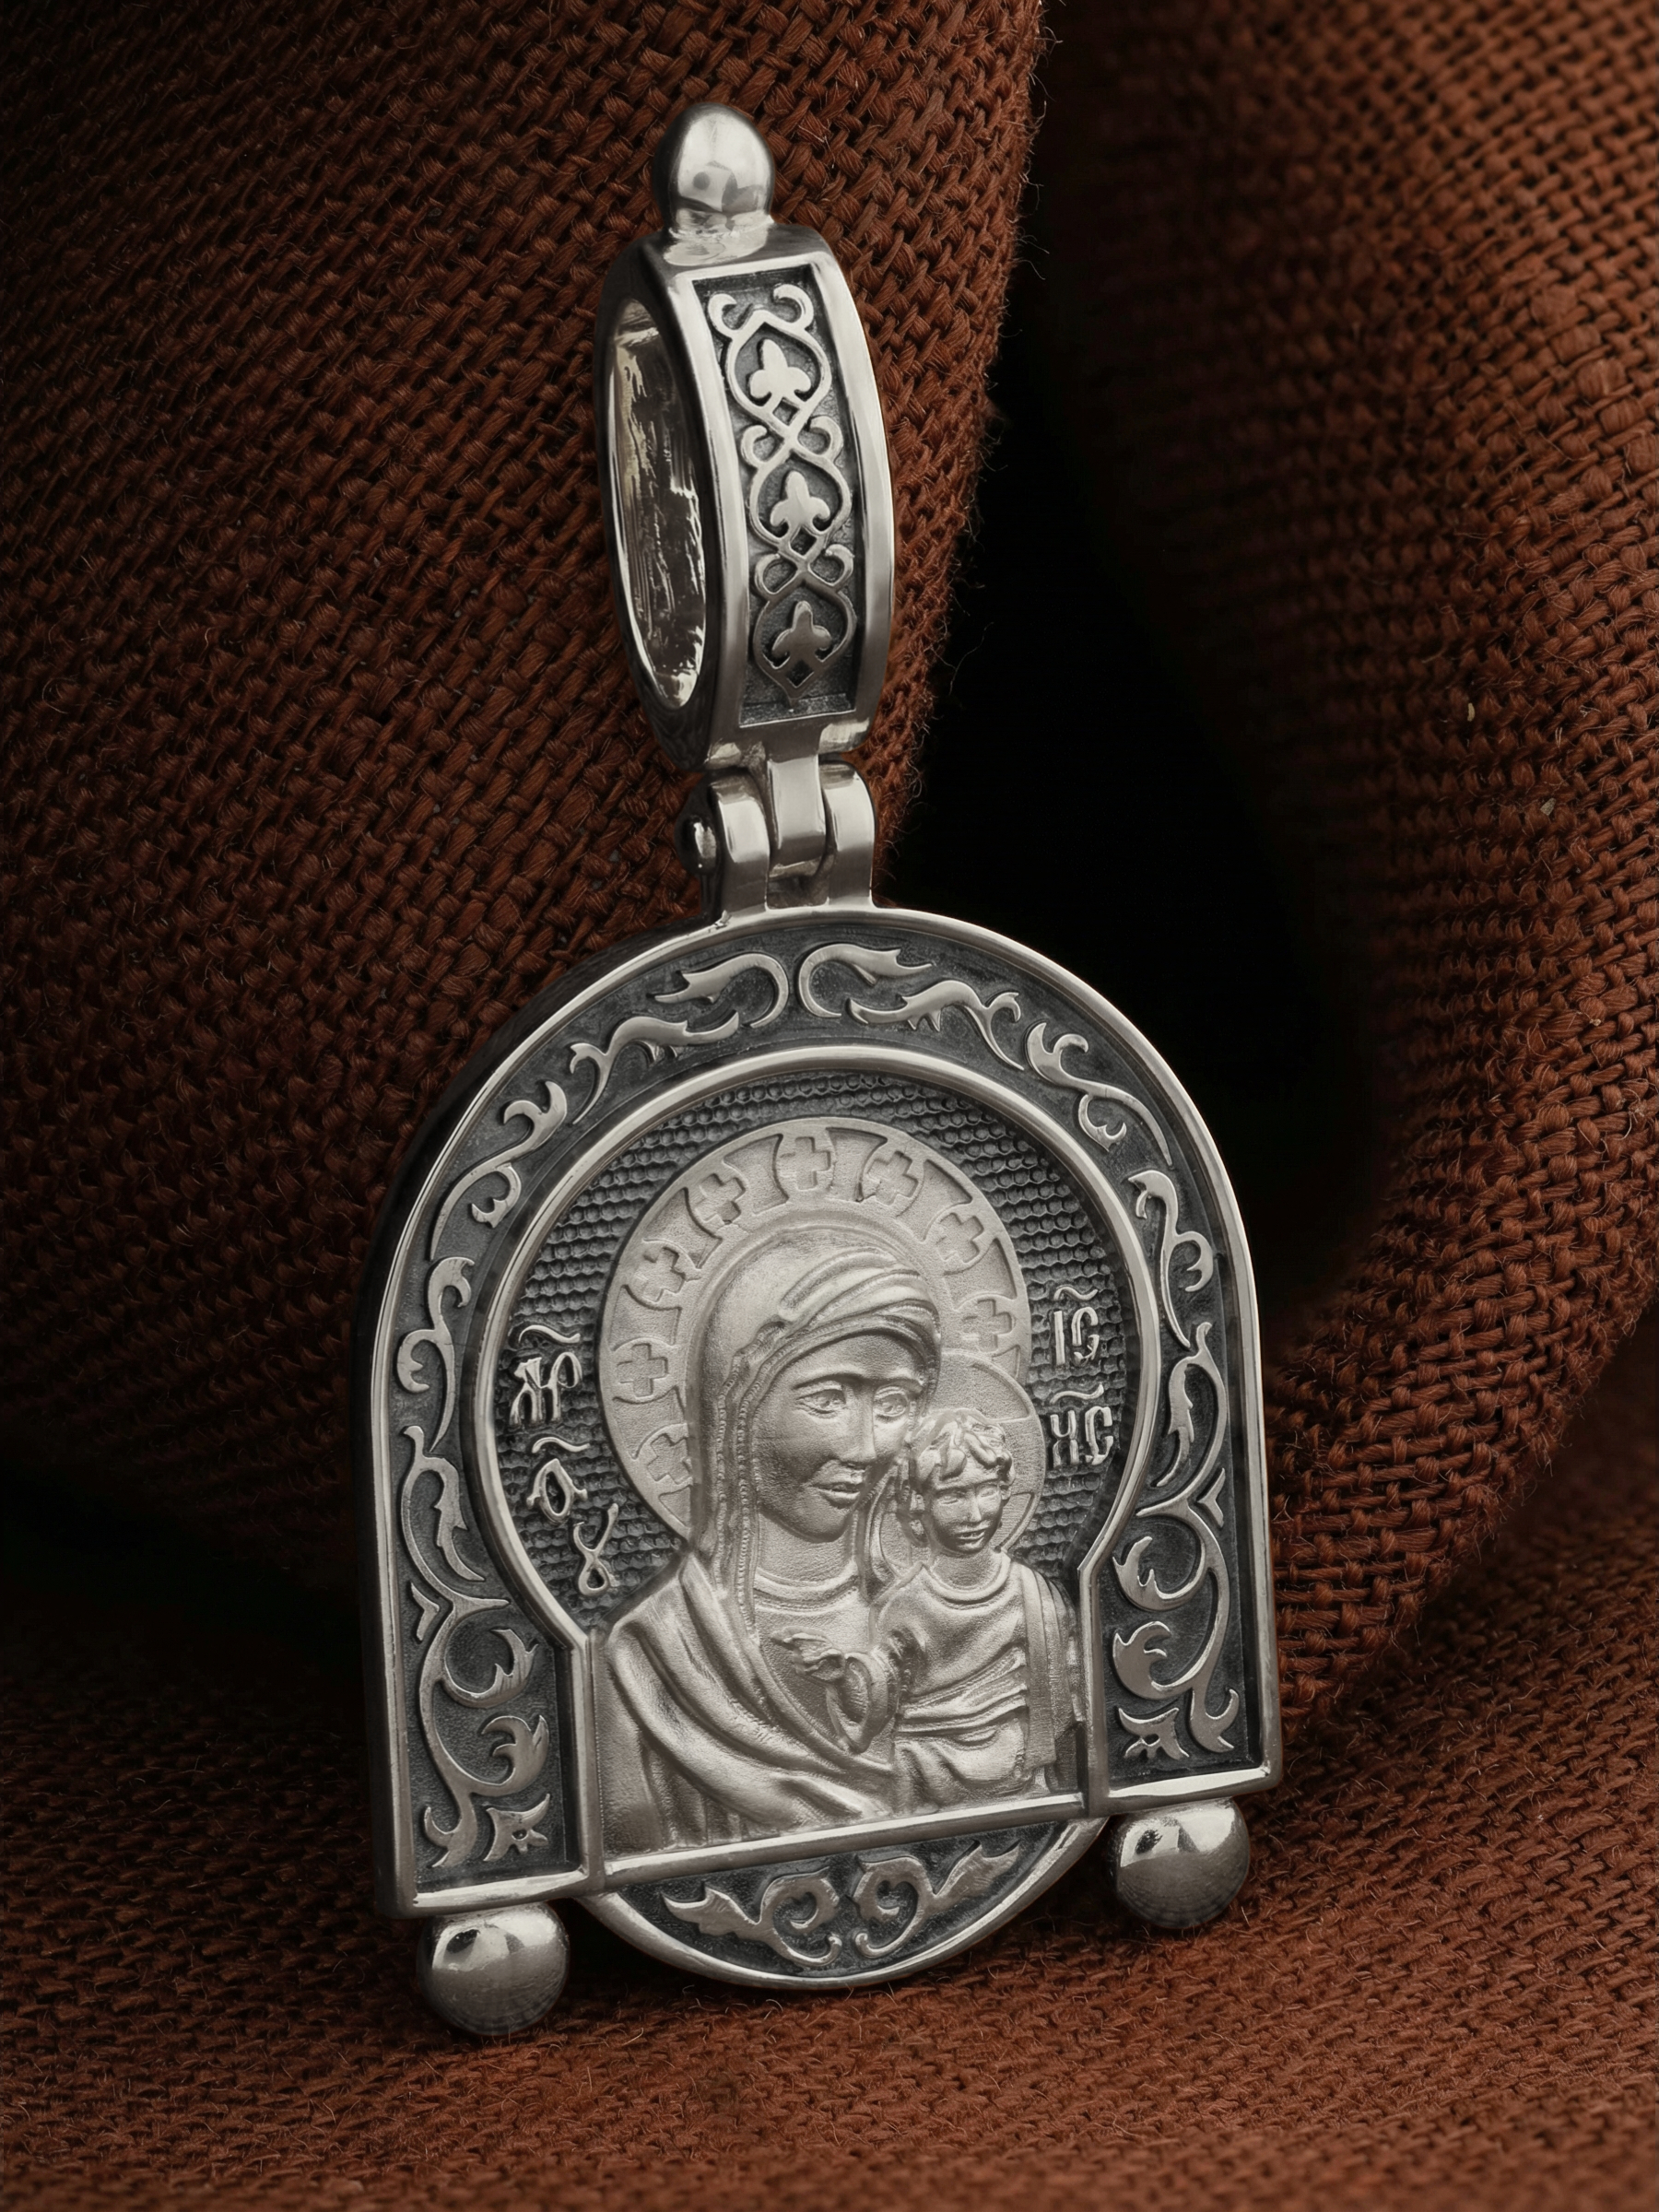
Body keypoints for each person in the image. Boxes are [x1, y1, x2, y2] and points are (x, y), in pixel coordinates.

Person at [596, 1224, 939, 1856]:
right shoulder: (654, 1655)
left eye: (893, 1404)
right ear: (739, 1414)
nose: (866, 1448)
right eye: (828, 1399)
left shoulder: (935, 1615)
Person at [787, 1411, 1080, 1814]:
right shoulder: (904, 1605)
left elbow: (1070, 1697)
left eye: (986, 1491)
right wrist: (841, 1675)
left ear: (1005, 1492)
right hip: (924, 1772)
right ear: (918, 1503)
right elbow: (881, 1688)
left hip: (1022, 1777)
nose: (975, 1514)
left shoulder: (1035, 1593)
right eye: (953, 1496)